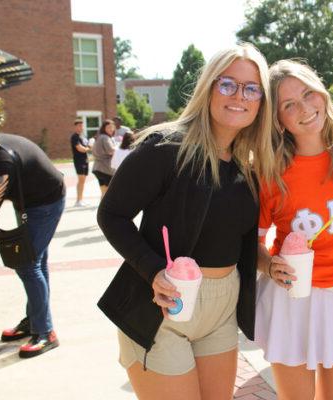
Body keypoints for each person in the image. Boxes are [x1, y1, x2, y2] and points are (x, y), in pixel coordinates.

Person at [96, 43, 274, 400]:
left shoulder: (249, 165)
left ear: (261, 101)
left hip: (222, 310)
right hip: (160, 305)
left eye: (251, 88)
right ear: (209, 87)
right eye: (228, 84)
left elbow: (238, 243)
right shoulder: (165, 148)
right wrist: (153, 270)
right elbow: (111, 214)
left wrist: (273, 265)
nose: (239, 95)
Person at [255, 60, 333, 400]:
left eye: (308, 94)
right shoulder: (269, 169)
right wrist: (268, 264)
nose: (304, 109)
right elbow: (251, 240)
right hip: (293, 297)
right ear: (278, 119)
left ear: (322, 93)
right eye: (289, 105)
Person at [0, 133, 65, 358]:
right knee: (36, 261)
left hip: (46, 201)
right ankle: (34, 321)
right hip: (26, 198)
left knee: (27, 264)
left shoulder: (1, 162)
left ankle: (46, 332)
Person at [91, 119, 116, 198]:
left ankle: (101, 209)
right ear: (104, 128)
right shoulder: (105, 138)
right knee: (109, 193)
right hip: (105, 169)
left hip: (97, 168)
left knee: (103, 193)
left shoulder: (99, 137)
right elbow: (111, 150)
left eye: (112, 127)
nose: (111, 129)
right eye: (109, 127)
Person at [70, 119, 90, 207]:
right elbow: (80, 148)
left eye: (82, 126)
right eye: (79, 126)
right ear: (75, 127)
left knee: (83, 180)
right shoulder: (75, 137)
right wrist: (89, 148)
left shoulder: (82, 137)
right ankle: (78, 200)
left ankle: (81, 199)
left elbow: (86, 146)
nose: (81, 127)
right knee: (81, 180)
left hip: (85, 160)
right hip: (79, 161)